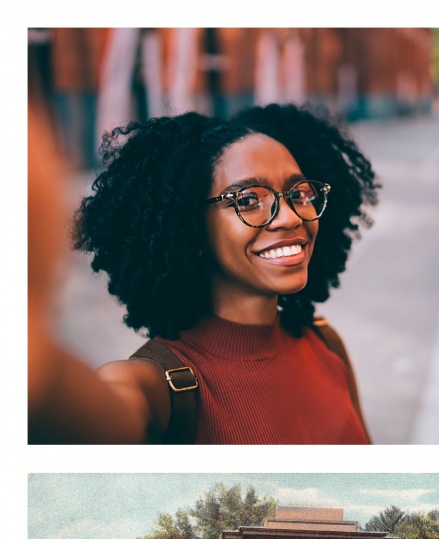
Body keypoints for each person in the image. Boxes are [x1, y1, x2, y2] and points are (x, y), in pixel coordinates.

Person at [58, 103, 378, 445]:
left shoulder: (326, 344)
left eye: (299, 194)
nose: (290, 217)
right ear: (192, 228)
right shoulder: (153, 389)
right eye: (248, 199)